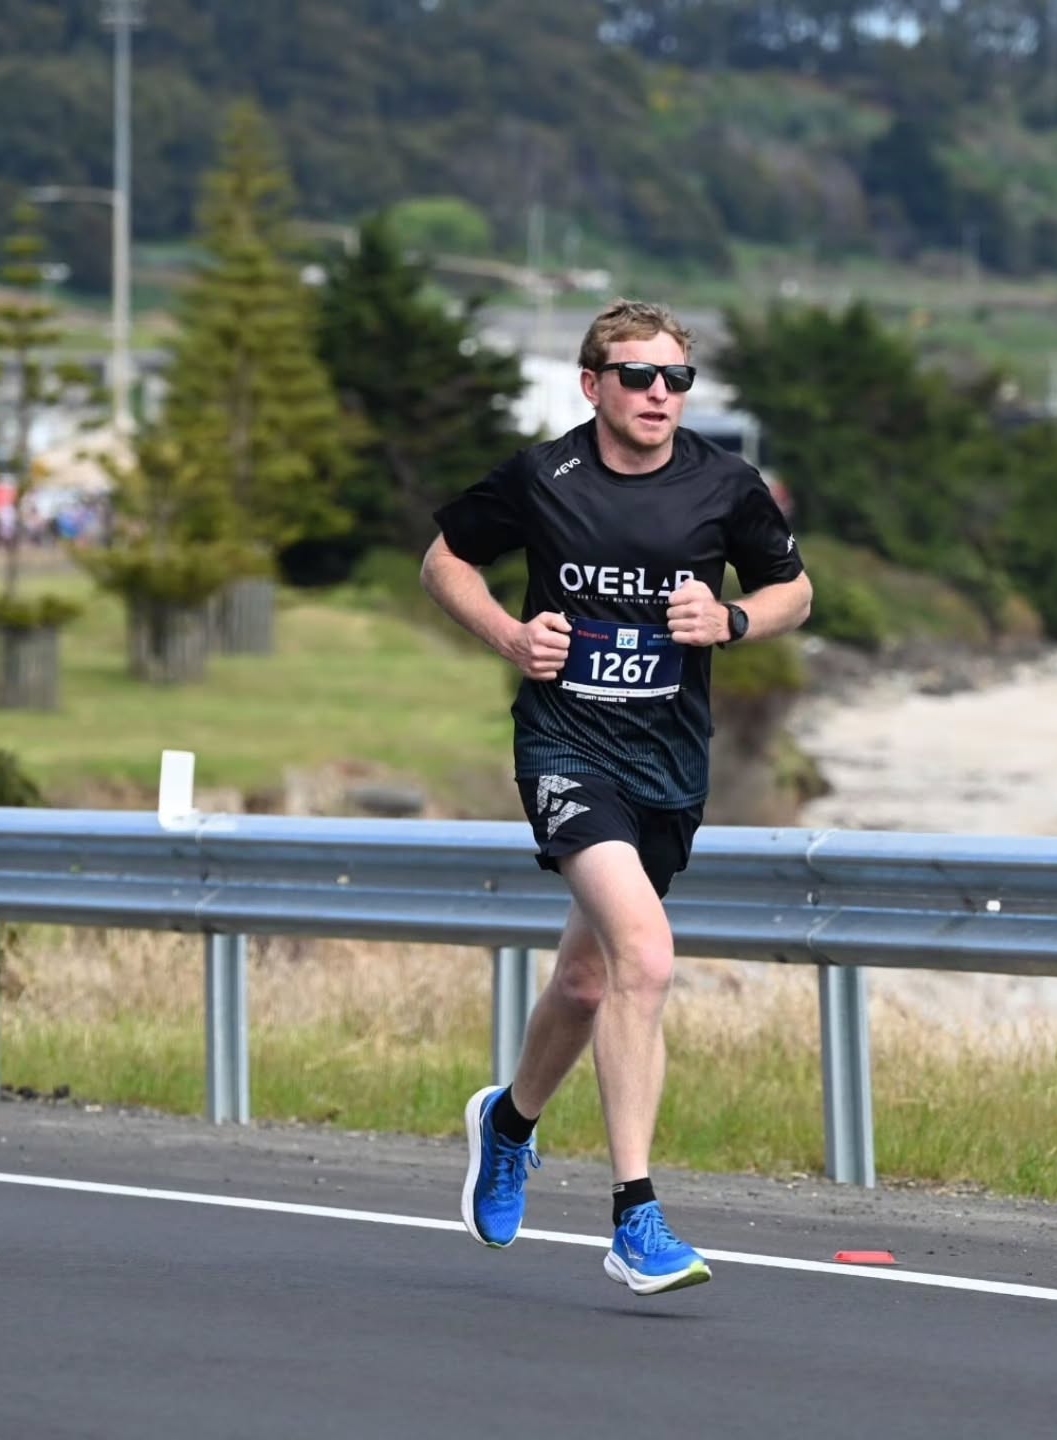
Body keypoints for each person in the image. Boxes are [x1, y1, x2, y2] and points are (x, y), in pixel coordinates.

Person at [421, 297, 811, 1296]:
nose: (658, 394)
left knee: (590, 982)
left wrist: (730, 620)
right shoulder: (542, 478)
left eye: (676, 378)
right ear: (593, 385)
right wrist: (511, 636)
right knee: (646, 954)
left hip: (669, 765)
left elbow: (795, 592)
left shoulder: (725, 485)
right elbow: (443, 560)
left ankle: (509, 1124)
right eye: (637, 376)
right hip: (566, 748)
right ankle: (636, 1216)